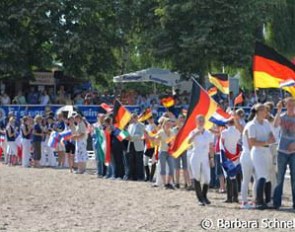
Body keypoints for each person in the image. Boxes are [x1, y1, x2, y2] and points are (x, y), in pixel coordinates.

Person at [248, 104, 275, 210]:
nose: (266, 112)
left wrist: (271, 138)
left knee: (267, 176)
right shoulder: (252, 125)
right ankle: (259, 201)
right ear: (258, 111)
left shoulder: (266, 122)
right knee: (262, 175)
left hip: (267, 150)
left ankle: (268, 201)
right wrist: (266, 142)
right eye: (264, 110)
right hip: (257, 152)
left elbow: (270, 134)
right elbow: (252, 142)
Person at [273, 98, 295, 210]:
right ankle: (277, 202)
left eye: (292, 104)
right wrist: (278, 111)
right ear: (285, 105)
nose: (290, 106)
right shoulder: (281, 116)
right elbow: (275, 125)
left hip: (293, 152)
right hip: (281, 150)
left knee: (294, 178)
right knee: (279, 178)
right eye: (288, 104)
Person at [188, 115, 214, 205]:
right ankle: (200, 199)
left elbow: (211, 146)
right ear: (196, 121)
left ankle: (204, 196)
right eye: (199, 120)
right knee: (197, 177)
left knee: (207, 178)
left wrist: (211, 158)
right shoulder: (193, 132)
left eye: (202, 120)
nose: (201, 122)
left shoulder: (208, 133)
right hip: (195, 155)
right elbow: (188, 141)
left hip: (205, 156)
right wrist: (195, 134)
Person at [220, 118, 242, 203]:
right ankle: (235, 197)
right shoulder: (237, 131)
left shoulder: (224, 132)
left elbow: (222, 143)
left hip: (227, 157)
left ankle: (229, 197)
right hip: (235, 157)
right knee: (234, 177)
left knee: (228, 176)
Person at [151, 117, 175, 189]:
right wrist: (156, 139)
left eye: (169, 124)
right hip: (163, 152)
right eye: (167, 124)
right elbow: (156, 141)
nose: (168, 125)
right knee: (163, 168)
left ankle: (168, 183)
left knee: (171, 168)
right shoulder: (160, 132)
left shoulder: (172, 132)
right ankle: (165, 184)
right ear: (164, 125)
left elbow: (173, 141)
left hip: (170, 152)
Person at [240, 107, 256, 209]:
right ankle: (244, 201)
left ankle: (253, 200)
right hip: (248, 154)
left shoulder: (248, 126)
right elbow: (251, 145)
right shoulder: (250, 127)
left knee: (256, 178)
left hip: (251, 154)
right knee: (246, 179)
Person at [173, 114, 190, 189]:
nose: (181, 120)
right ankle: (177, 182)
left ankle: (186, 183)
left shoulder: (186, 129)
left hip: (184, 149)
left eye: (183, 119)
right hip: (177, 150)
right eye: (180, 119)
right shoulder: (174, 130)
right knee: (177, 168)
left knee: (185, 167)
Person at [127, 114, 145, 181]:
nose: (131, 120)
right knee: (131, 161)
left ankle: (140, 177)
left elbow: (140, 135)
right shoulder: (130, 126)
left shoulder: (141, 125)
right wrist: (127, 137)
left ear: (136, 118)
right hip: (131, 144)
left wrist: (131, 138)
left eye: (132, 118)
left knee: (139, 161)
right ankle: (132, 176)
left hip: (138, 145)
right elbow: (128, 134)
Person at [143, 116, 157, 182]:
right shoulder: (146, 127)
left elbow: (153, 137)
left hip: (153, 146)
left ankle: (151, 177)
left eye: (151, 119)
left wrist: (148, 135)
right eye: (149, 119)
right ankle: (148, 176)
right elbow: (144, 136)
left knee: (153, 162)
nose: (150, 120)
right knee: (145, 162)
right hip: (147, 145)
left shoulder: (156, 127)